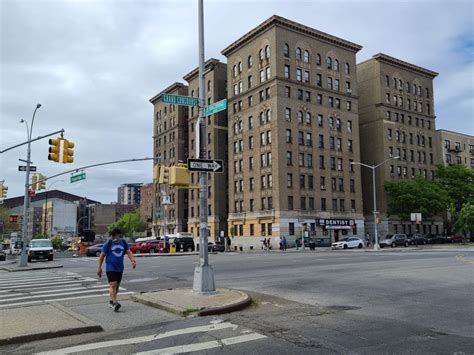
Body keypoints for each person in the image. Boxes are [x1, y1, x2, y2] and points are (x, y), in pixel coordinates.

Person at [97, 228, 136, 312]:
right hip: (110, 268)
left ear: (119, 235)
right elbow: (102, 256)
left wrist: (132, 260)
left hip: (120, 268)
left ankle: (111, 301)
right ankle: (115, 303)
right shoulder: (108, 243)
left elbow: (128, 252)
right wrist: (99, 268)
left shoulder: (123, 242)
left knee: (117, 287)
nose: (114, 237)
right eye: (112, 235)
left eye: (116, 235)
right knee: (113, 285)